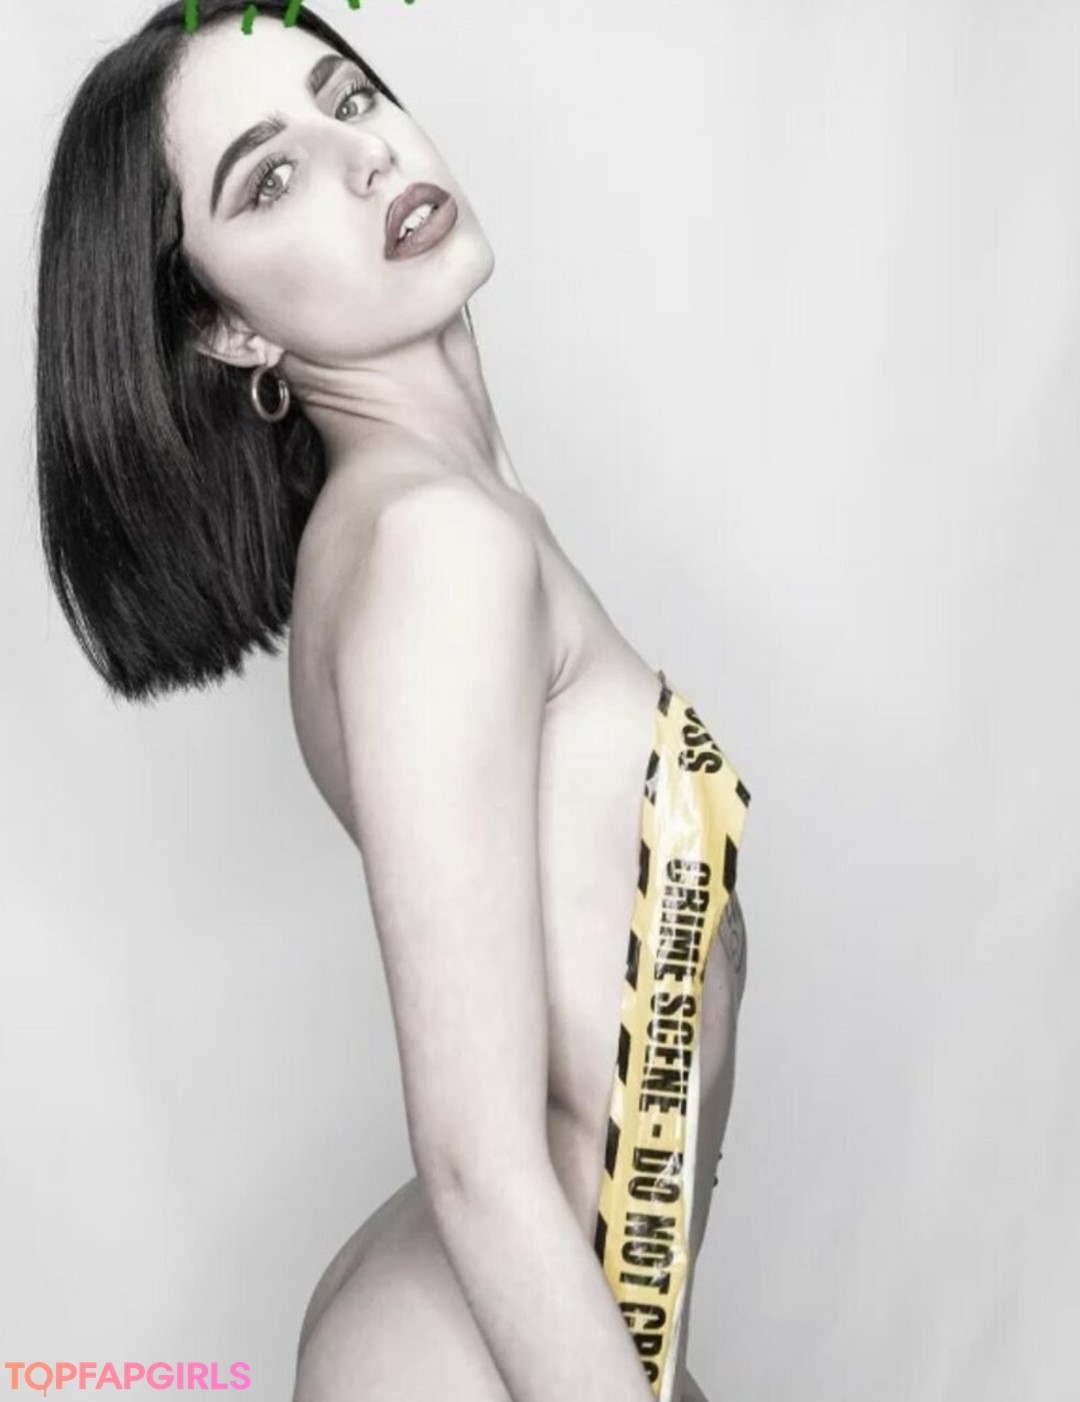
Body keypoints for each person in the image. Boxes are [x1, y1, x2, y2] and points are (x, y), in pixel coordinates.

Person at [34, 3, 751, 1398]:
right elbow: (479, 1157)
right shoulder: (432, 550)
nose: (363, 157)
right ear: (227, 326)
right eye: (270, 177)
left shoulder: (434, 525)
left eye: (348, 96)